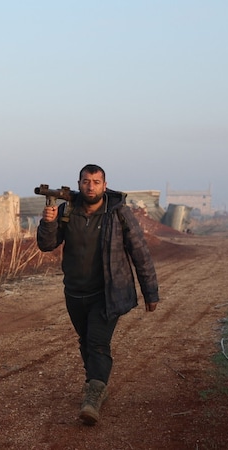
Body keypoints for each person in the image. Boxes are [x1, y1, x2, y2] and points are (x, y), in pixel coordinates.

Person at [36, 164, 159, 425]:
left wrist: (150, 292)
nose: (90, 186)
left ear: (104, 185)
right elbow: (47, 245)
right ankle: (95, 382)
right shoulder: (66, 210)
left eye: (96, 181)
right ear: (79, 183)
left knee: (97, 342)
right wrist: (48, 223)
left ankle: (93, 396)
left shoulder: (118, 214)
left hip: (108, 291)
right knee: (85, 340)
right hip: (75, 292)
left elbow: (140, 253)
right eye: (85, 181)